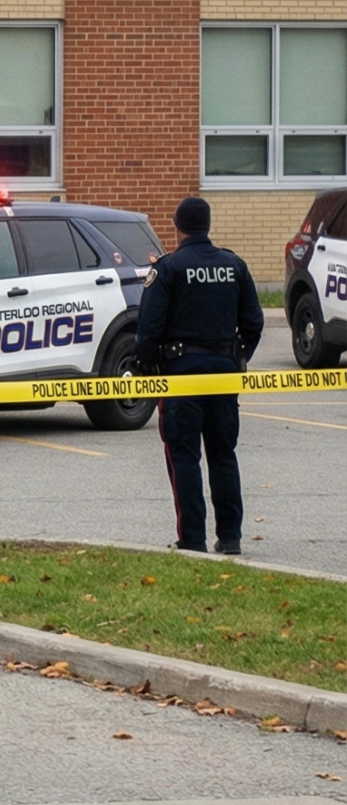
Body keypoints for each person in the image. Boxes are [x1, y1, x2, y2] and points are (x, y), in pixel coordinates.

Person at [136, 196, 263, 554]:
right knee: (224, 454)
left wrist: (150, 368)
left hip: (182, 376)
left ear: (177, 227)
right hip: (224, 375)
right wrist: (237, 358)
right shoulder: (234, 265)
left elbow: (148, 330)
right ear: (207, 225)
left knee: (184, 455)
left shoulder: (168, 268)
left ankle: (193, 540)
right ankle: (231, 537)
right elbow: (254, 322)